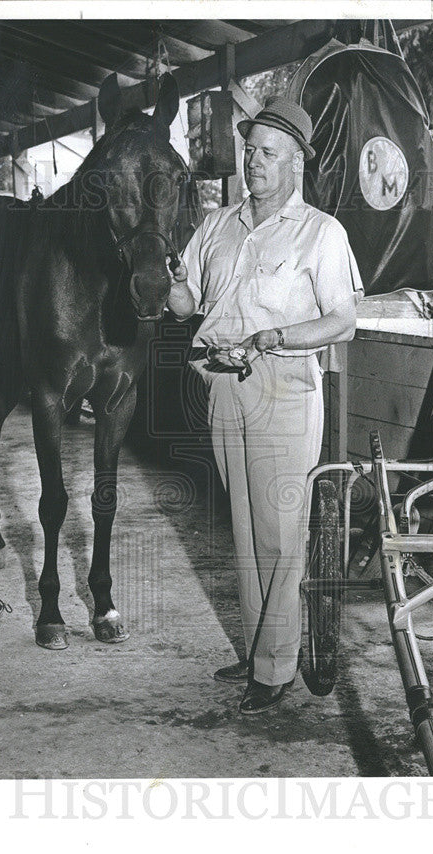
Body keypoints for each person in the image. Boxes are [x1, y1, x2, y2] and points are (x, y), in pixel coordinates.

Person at [167, 97, 363, 714]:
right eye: (249, 149)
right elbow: (184, 302)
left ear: (295, 164)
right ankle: (258, 648)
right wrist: (164, 279)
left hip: (284, 385)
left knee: (280, 532)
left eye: (267, 153)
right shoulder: (217, 225)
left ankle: (276, 667)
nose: (253, 162)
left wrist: (279, 335)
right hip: (223, 384)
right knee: (245, 527)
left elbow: (344, 321)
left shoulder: (321, 233)